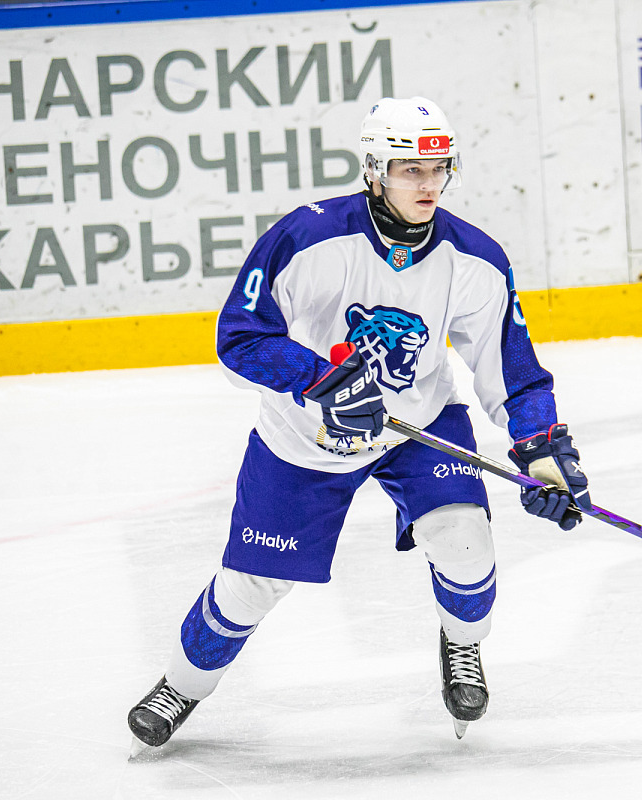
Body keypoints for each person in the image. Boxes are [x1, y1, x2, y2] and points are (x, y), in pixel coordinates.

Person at [127, 96, 591, 746]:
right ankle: (182, 684)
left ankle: (461, 644)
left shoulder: (474, 259)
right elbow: (240, 338)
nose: (428, 185)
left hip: (419, 423)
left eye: (438, 169)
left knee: (465, 541)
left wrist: (542, 451)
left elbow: (509, 365)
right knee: (254, 585)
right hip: (306, 435)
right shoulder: (308, 238)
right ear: (375, 170)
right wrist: (322, 380)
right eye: (410, 170)